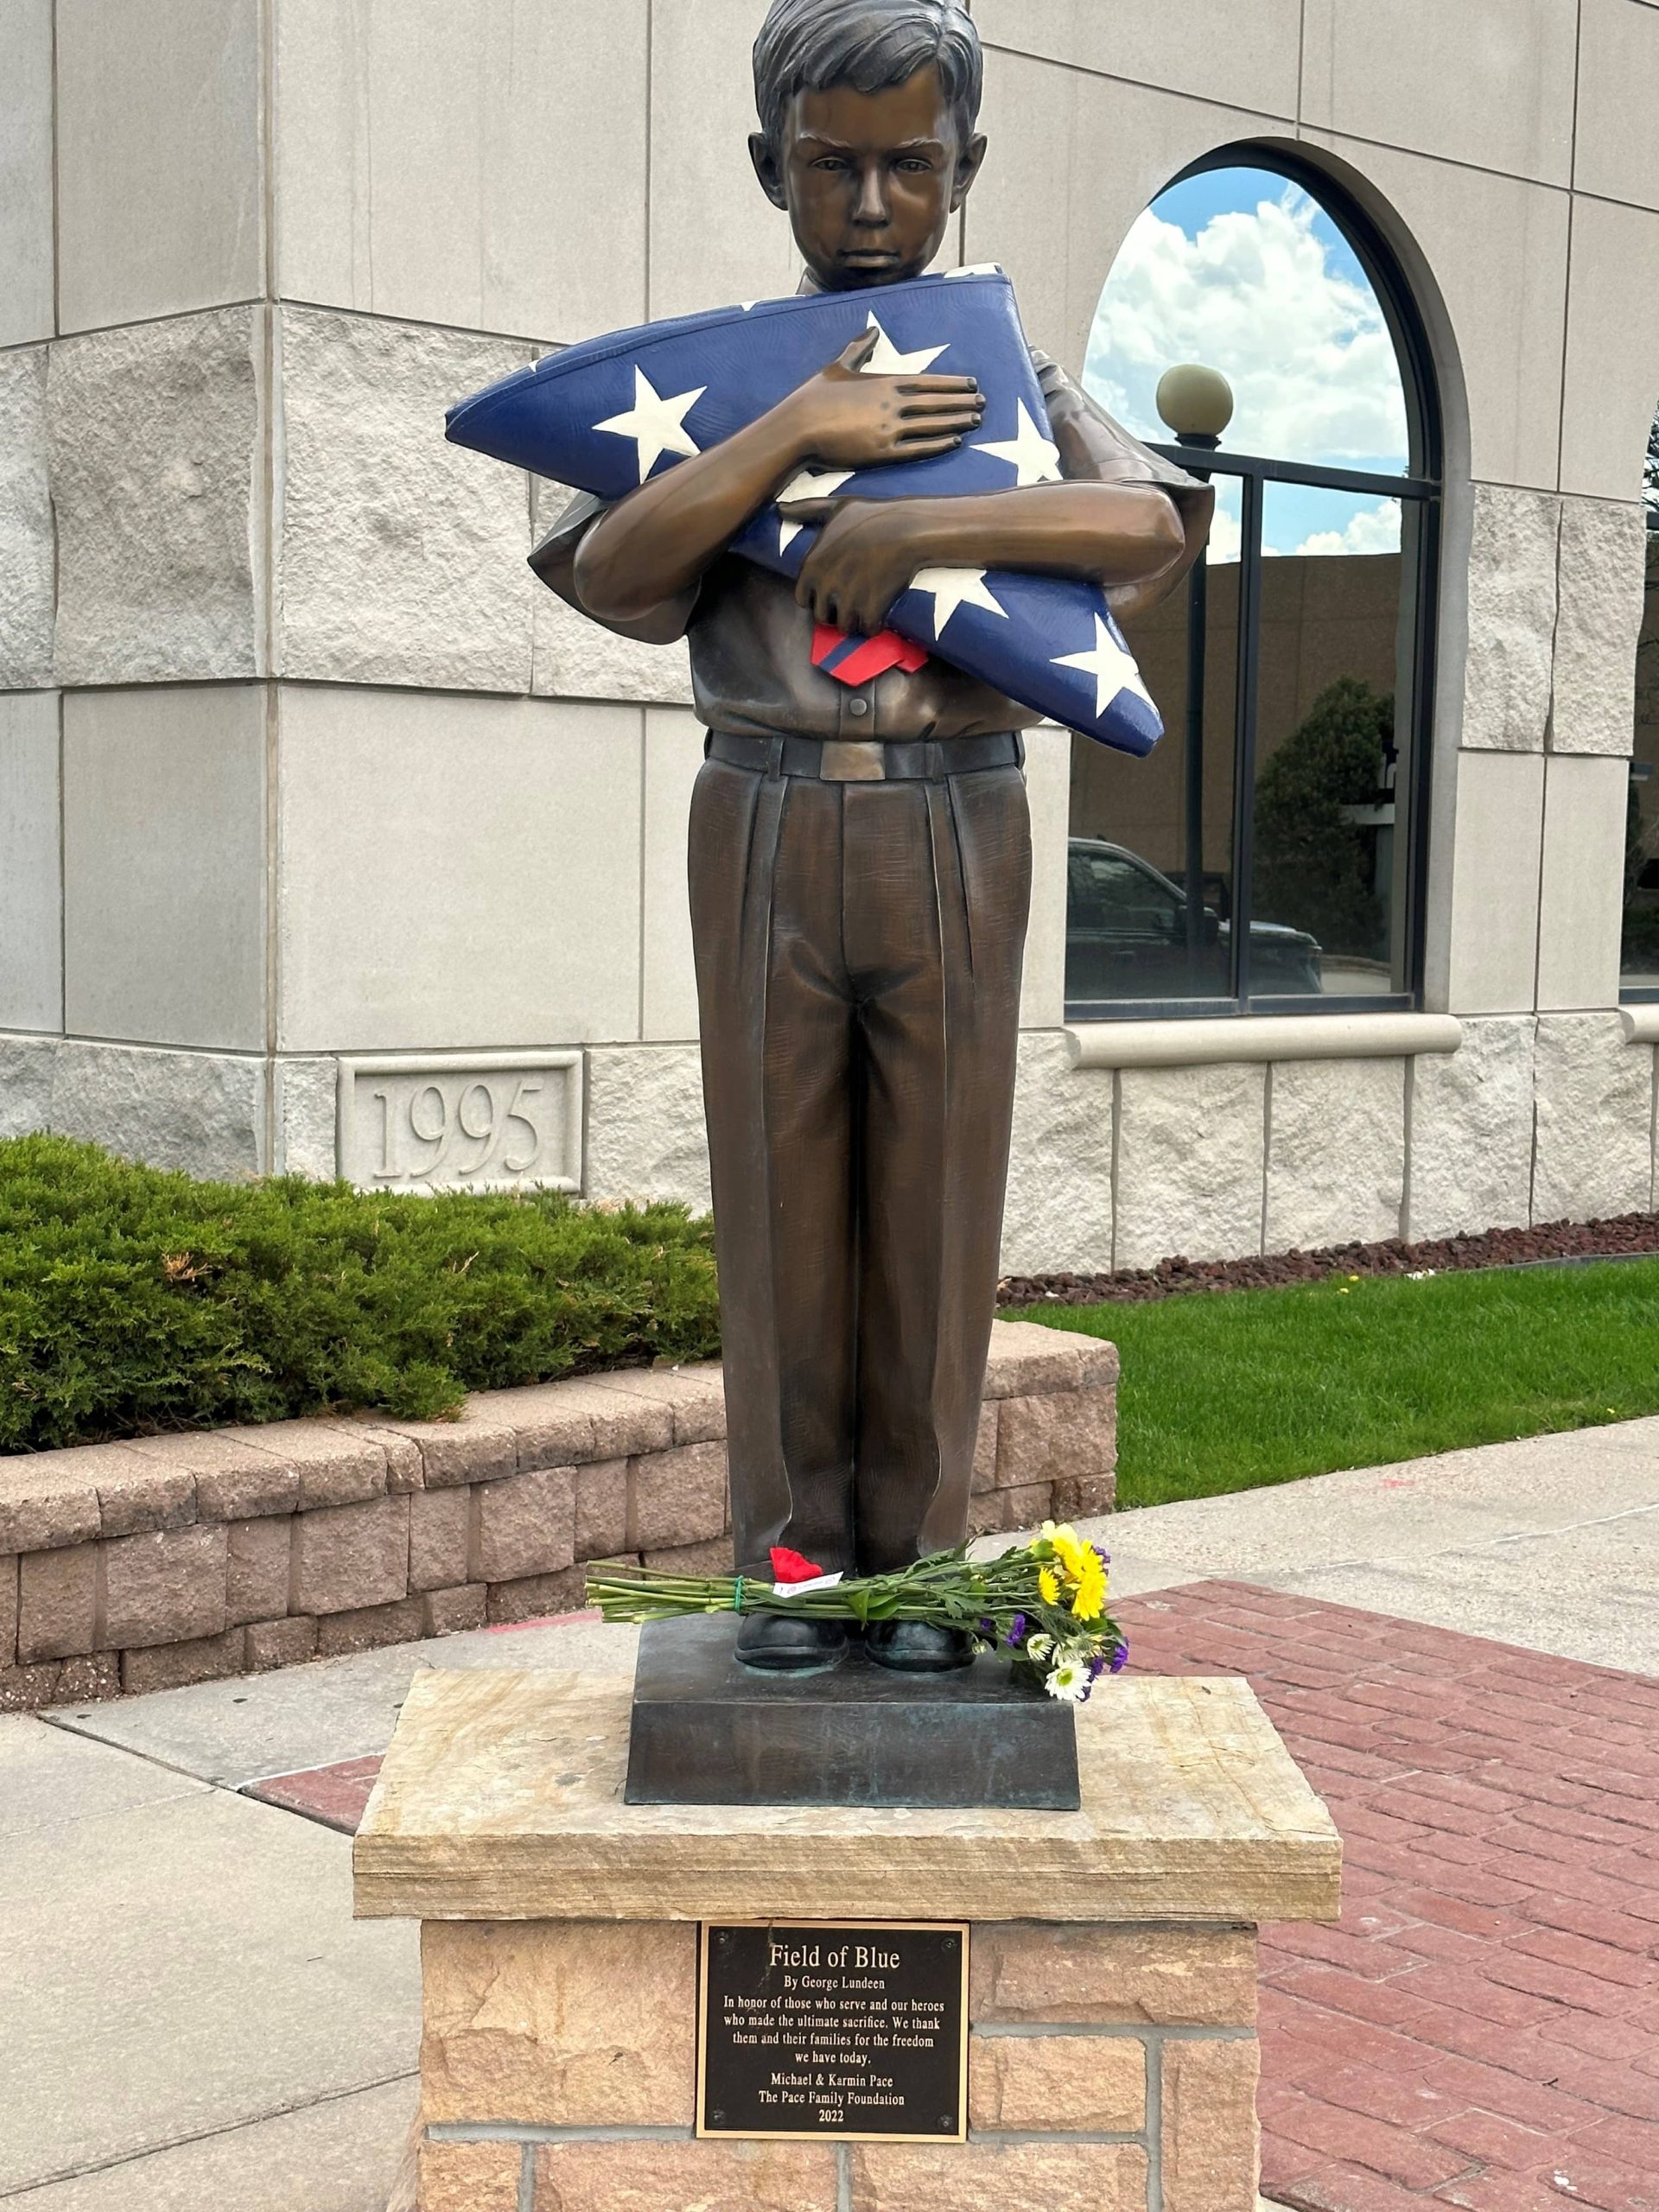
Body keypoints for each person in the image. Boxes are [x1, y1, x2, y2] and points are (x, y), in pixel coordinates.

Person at [532, 0, 1211, 1673]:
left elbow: (1149, 524)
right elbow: (609, 571)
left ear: (964, 169)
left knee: (934, 1214)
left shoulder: (1001, 367)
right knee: (776, 1227)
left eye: (911, 167)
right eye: (831, 167)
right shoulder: (722, 379)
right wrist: (796, 437)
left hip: (956, 824)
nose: (870, 206)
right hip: (761, 812)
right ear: (772, 167)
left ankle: (916, 1570)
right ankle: (794, 1568)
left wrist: (928, 517)